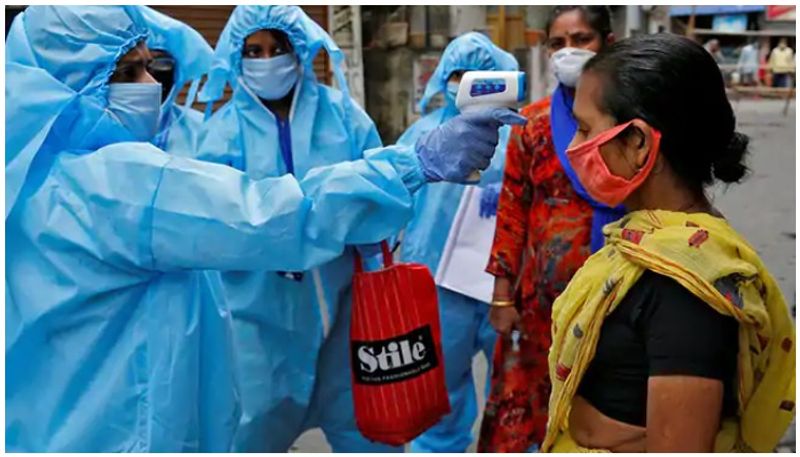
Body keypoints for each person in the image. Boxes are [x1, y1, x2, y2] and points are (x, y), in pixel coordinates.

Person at [5, 6, 524, 452]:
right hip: (144, 413)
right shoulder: (111, 184)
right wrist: (414, 164)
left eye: (150, 66)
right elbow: (267, 214)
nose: (151, 86)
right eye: (127, 70)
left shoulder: (29, 175)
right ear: (69, 82)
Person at [542, 33, 795, 453]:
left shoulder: (683, 290)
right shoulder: (647, 244)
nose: (573, 147)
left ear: (638, 142)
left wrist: (597, 429)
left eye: (585, 129)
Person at [478, 6, 621, 452]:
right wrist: (502, 296)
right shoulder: (532, 124)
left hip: (623, 295)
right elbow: (512, 211)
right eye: (558, 43)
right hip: (546, 306)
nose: (569, 51)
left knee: (613, 410)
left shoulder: (634, 119)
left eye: (581, 39)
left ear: (608, 43)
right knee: (538, 412)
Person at [394, 31, 519, 453]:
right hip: (436, 288)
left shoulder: (518, 136)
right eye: (457, 74)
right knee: (438, 396)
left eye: (477, 76)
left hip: (506, 286)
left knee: (516, 392)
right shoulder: (421, 136)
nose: (464, 83)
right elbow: (392, 199)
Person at [139, 6, 212, 154]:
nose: (149, 79)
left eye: (159, 63)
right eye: (132, 68)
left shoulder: (203, 132)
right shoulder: (97, 129)